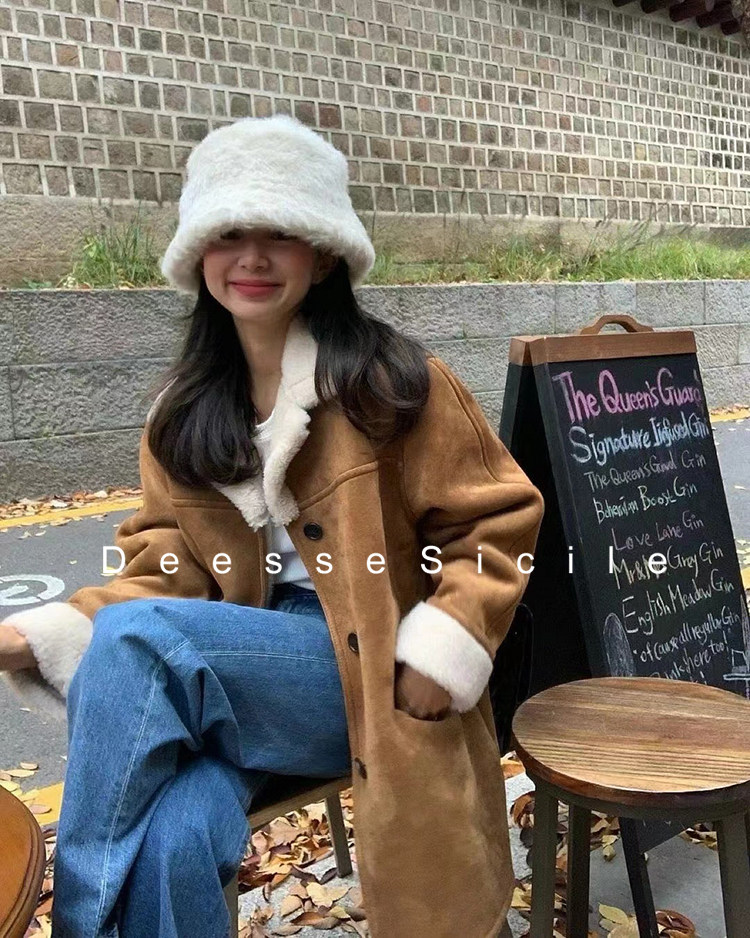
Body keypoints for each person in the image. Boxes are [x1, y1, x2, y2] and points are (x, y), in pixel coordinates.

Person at [0, 114, 544, 938]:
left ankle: (78, 922)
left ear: (322, 253)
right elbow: (164, 574)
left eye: (279, 232)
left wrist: (449, 639)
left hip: (369, 668)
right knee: (175, 836)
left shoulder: (393, 384)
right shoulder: (181, 416)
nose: (251, 257)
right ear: (197, 253)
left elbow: (498, 521)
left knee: (142, 642)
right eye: (227, 233)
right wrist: (35, 638)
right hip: (234, 674)